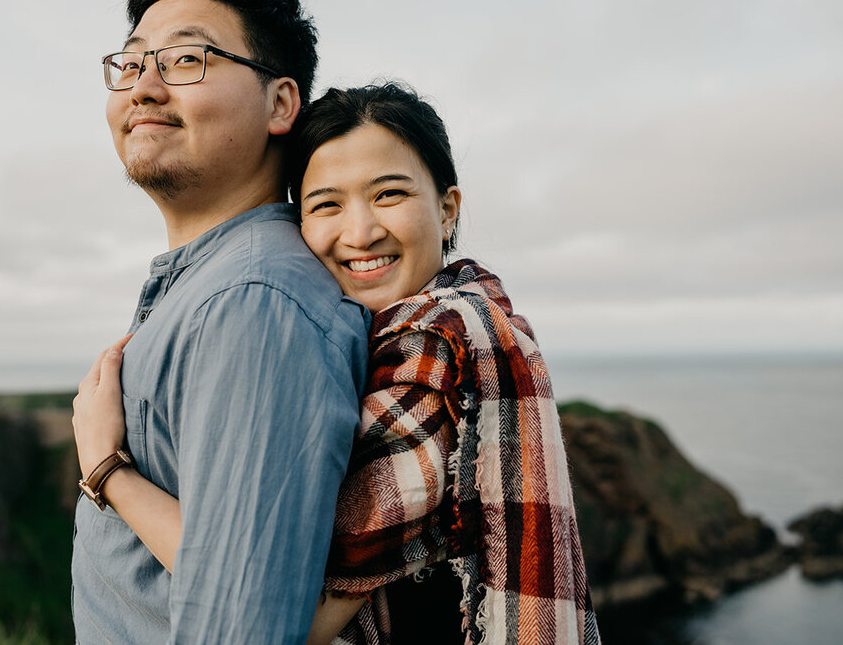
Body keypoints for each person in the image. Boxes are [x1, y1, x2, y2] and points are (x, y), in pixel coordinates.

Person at [75, 82, 601, 644]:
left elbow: (280, 605)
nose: (360, 232)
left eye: (389, 195)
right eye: (326, 204)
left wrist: (109, 470)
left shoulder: (445, 347)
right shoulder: (372, 338)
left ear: (447, 210)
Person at [69, 0, 370, 644]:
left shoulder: (254, 301)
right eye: (131, 62)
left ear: (280, 103)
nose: (143, 86)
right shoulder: (214, 283)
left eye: (184, 60)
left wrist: (105, 467)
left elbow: (242, 629)